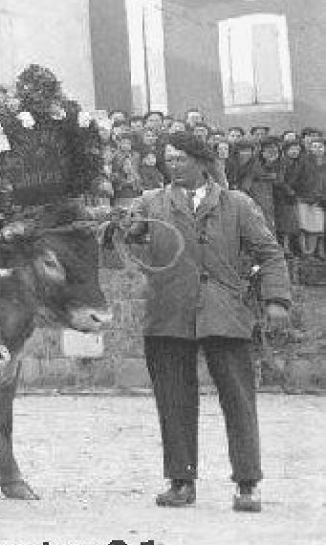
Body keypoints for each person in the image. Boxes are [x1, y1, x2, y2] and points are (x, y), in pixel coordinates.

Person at [123, 132, 290, 513]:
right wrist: (122, 227)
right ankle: (180, 482)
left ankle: (247, 484)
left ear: (202, 162)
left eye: (180, 158)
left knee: (239, 400)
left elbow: (269, 253)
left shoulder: (237, 204)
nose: (173, 165)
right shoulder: (151, 203)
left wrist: (276, 299)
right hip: (169, 313)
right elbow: (125, 234)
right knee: (174, 401)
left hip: (225, 312)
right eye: (168, 159)